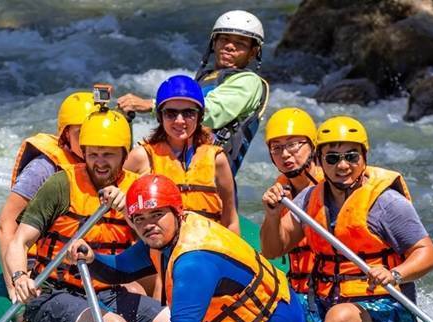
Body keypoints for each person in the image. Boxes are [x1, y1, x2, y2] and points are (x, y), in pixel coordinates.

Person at [68, 174, 307, 322]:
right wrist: (92, 259)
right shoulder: (168, 234)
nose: (148, 225)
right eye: (139, 218)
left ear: (176, 211)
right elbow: (122, 269)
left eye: (157, 214)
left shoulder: (194, 260)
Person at [266, 116, 433, 322]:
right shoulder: (308, 199)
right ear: (320, 160)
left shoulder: (387, 203)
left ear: (364, 158)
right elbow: (273, 249)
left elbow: (429, 254)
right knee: (271, 306)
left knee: (340, 318)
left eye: (351, 156)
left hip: (385, 307)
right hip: (322, 302)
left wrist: (395, 274)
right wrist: (272, 215)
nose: (343, 165)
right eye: (332, 158)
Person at [5, 109, 169, 322]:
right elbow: (18, 242)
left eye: (108, 155)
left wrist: (127, 211)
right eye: (93, 154)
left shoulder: (135, 189)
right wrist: (19, 277)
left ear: (124, 155)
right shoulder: (61, 185)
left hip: (108, 291)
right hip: (53, 293)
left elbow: (158, 245)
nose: (99, 162)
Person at [117, 10, 268, 177]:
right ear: (214, 42)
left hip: (209, 184)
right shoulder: (207, 77)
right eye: (224, 39)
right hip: (180, 171)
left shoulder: (249, 82)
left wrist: (152, 105)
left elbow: (212, 112)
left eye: (240, 43)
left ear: (253, 52)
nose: (230, 46)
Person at [0, 91, 95, 299]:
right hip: (41, 261)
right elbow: (6, 224)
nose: (89, 142)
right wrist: (13, 285)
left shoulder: (104, 164)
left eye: (94, 134)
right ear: (66, 134)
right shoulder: (42, 169)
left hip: (82, 256)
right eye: (81, 134)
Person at [123, 74, 239, 233]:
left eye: (188, 113)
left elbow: (231, 220)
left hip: (207, 248)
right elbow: (121, 212)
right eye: (170, 113)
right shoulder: (141, 157)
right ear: (159, 116)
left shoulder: (217, 159)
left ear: (199, 116)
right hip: (161, 252)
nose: (179, 120)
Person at [260, 107, 322, 293]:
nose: (285, 154)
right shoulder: (281, 189)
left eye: (293, 144)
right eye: (276, 148)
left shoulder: (333, 187)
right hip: (299, 290)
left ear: (312, 145)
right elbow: (270, 252)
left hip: (335, 292)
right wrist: (273, 215)